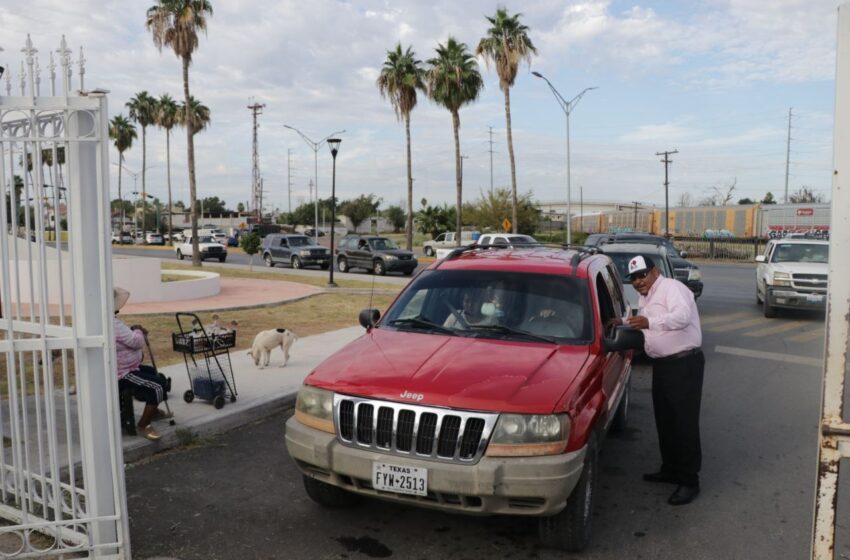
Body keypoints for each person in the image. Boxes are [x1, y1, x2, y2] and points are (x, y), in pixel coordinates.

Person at [613, 255, 704, 506]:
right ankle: (671, 468)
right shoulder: (647, 297)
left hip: (684, 363)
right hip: (664, 364)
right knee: (665, 419)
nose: (639, 282)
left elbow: (682, 317)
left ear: (654, 271)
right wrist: (620, 322)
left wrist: (649, 321)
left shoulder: (673, 288)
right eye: (633, 278)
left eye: (642, 275)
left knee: (684, 422)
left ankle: (689, 481)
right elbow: (641, 323)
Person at [113, 287, 169, 441]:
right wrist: (138, 331)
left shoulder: (109, 321)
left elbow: (123, 337)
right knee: (157, 386)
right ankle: (144, 425)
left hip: (126, 368)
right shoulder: (112, 323)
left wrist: (134, 330)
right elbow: (136, 342)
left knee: (155, 375)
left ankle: (153, 409)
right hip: (122, 373)